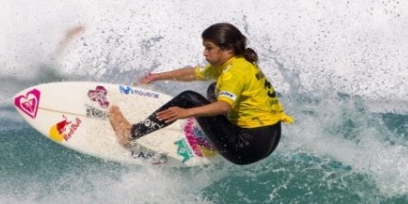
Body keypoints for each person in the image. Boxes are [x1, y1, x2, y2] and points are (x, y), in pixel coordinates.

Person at [108, 23, 293, 165]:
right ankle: (216, 137)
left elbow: (224, 106)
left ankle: (131, 133)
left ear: (227, 48)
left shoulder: (233, 73)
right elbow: (192, 73)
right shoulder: (238, 63)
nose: (205, 53)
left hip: (245, 149)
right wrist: (157, 76)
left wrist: (185, 112)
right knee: (214, 89)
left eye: (209, 48)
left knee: (189, 99)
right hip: (268, 139)